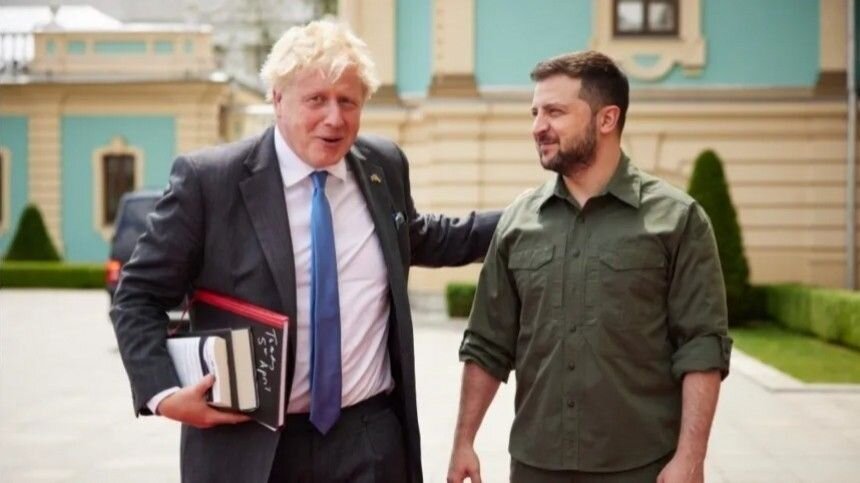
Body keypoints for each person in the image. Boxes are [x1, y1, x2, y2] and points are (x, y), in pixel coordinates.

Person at [111, 19, 499, 483]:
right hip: (251, 445)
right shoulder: (210, 181)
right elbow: (138, 295)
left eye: (347, 101)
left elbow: (422, 236)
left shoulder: (383, 165)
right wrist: (162, 393)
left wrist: (528, 216)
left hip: (368, 440)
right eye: (316, 99)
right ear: (278, 99)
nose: (334, 118)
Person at [447, 51, 732, 483]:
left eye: (555, 112)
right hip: (535, 467)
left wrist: (690, 458)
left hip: (641, 468)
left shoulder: (678, 220)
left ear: (607, 119)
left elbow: (701, 347)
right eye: (535, 112)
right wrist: (463, 441)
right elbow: (488, 342)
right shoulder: (518, 221)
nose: (538, 126)